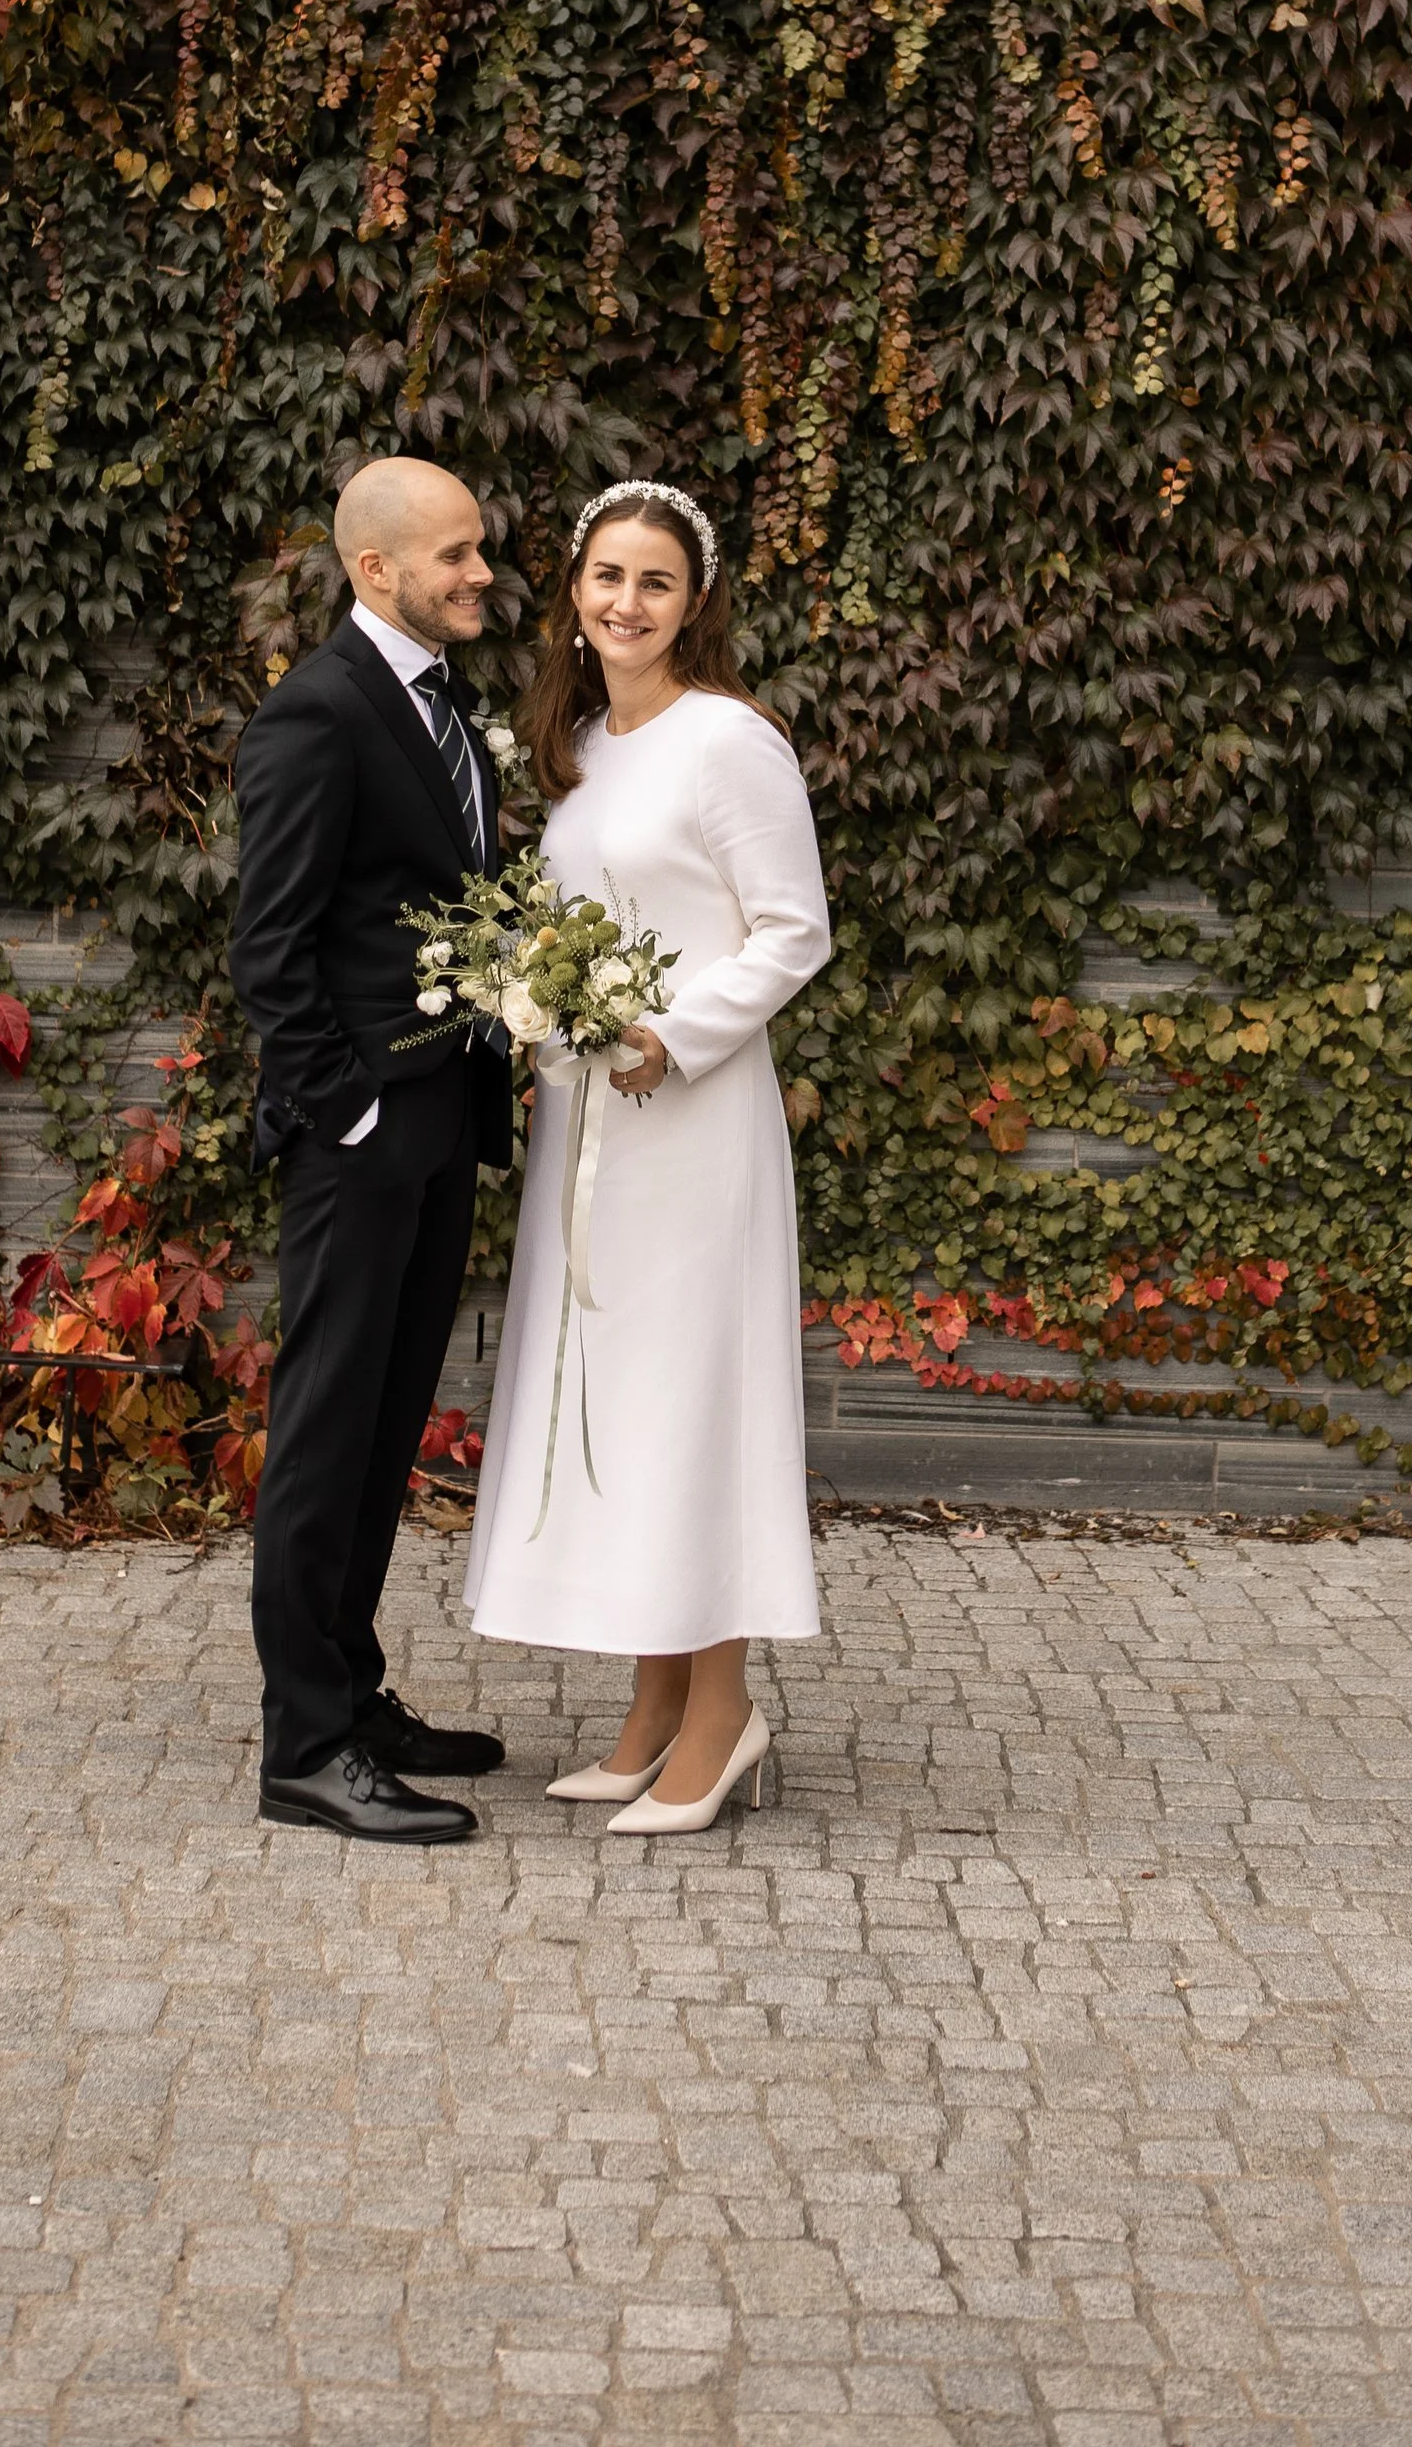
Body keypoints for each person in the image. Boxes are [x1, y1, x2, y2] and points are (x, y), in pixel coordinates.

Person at [462, 480, 831, 1834]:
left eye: (656, 582)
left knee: (695, 1398)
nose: (626, 601)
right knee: (621, 1401)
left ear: (697, 602)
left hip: (692, 1122)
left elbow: (793, 931)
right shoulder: (590, 743)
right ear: (573, 589)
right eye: (606, 575)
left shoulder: (732, 741)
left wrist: (672, 1036)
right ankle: (652, 1703)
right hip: (593, 1119)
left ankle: (723, 1709)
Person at [230, 455, 515, 1844]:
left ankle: (354, 1685)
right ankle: (305, 1743)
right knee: (329, 1429)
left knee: (391, 1423)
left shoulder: (442, 707)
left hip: (443, 1118)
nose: (480, 574)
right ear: (378, 569)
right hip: (360, 1135)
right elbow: (268, 949)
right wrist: (344, 1108)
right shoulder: (316, 715)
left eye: (479, 551)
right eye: (454, 555)